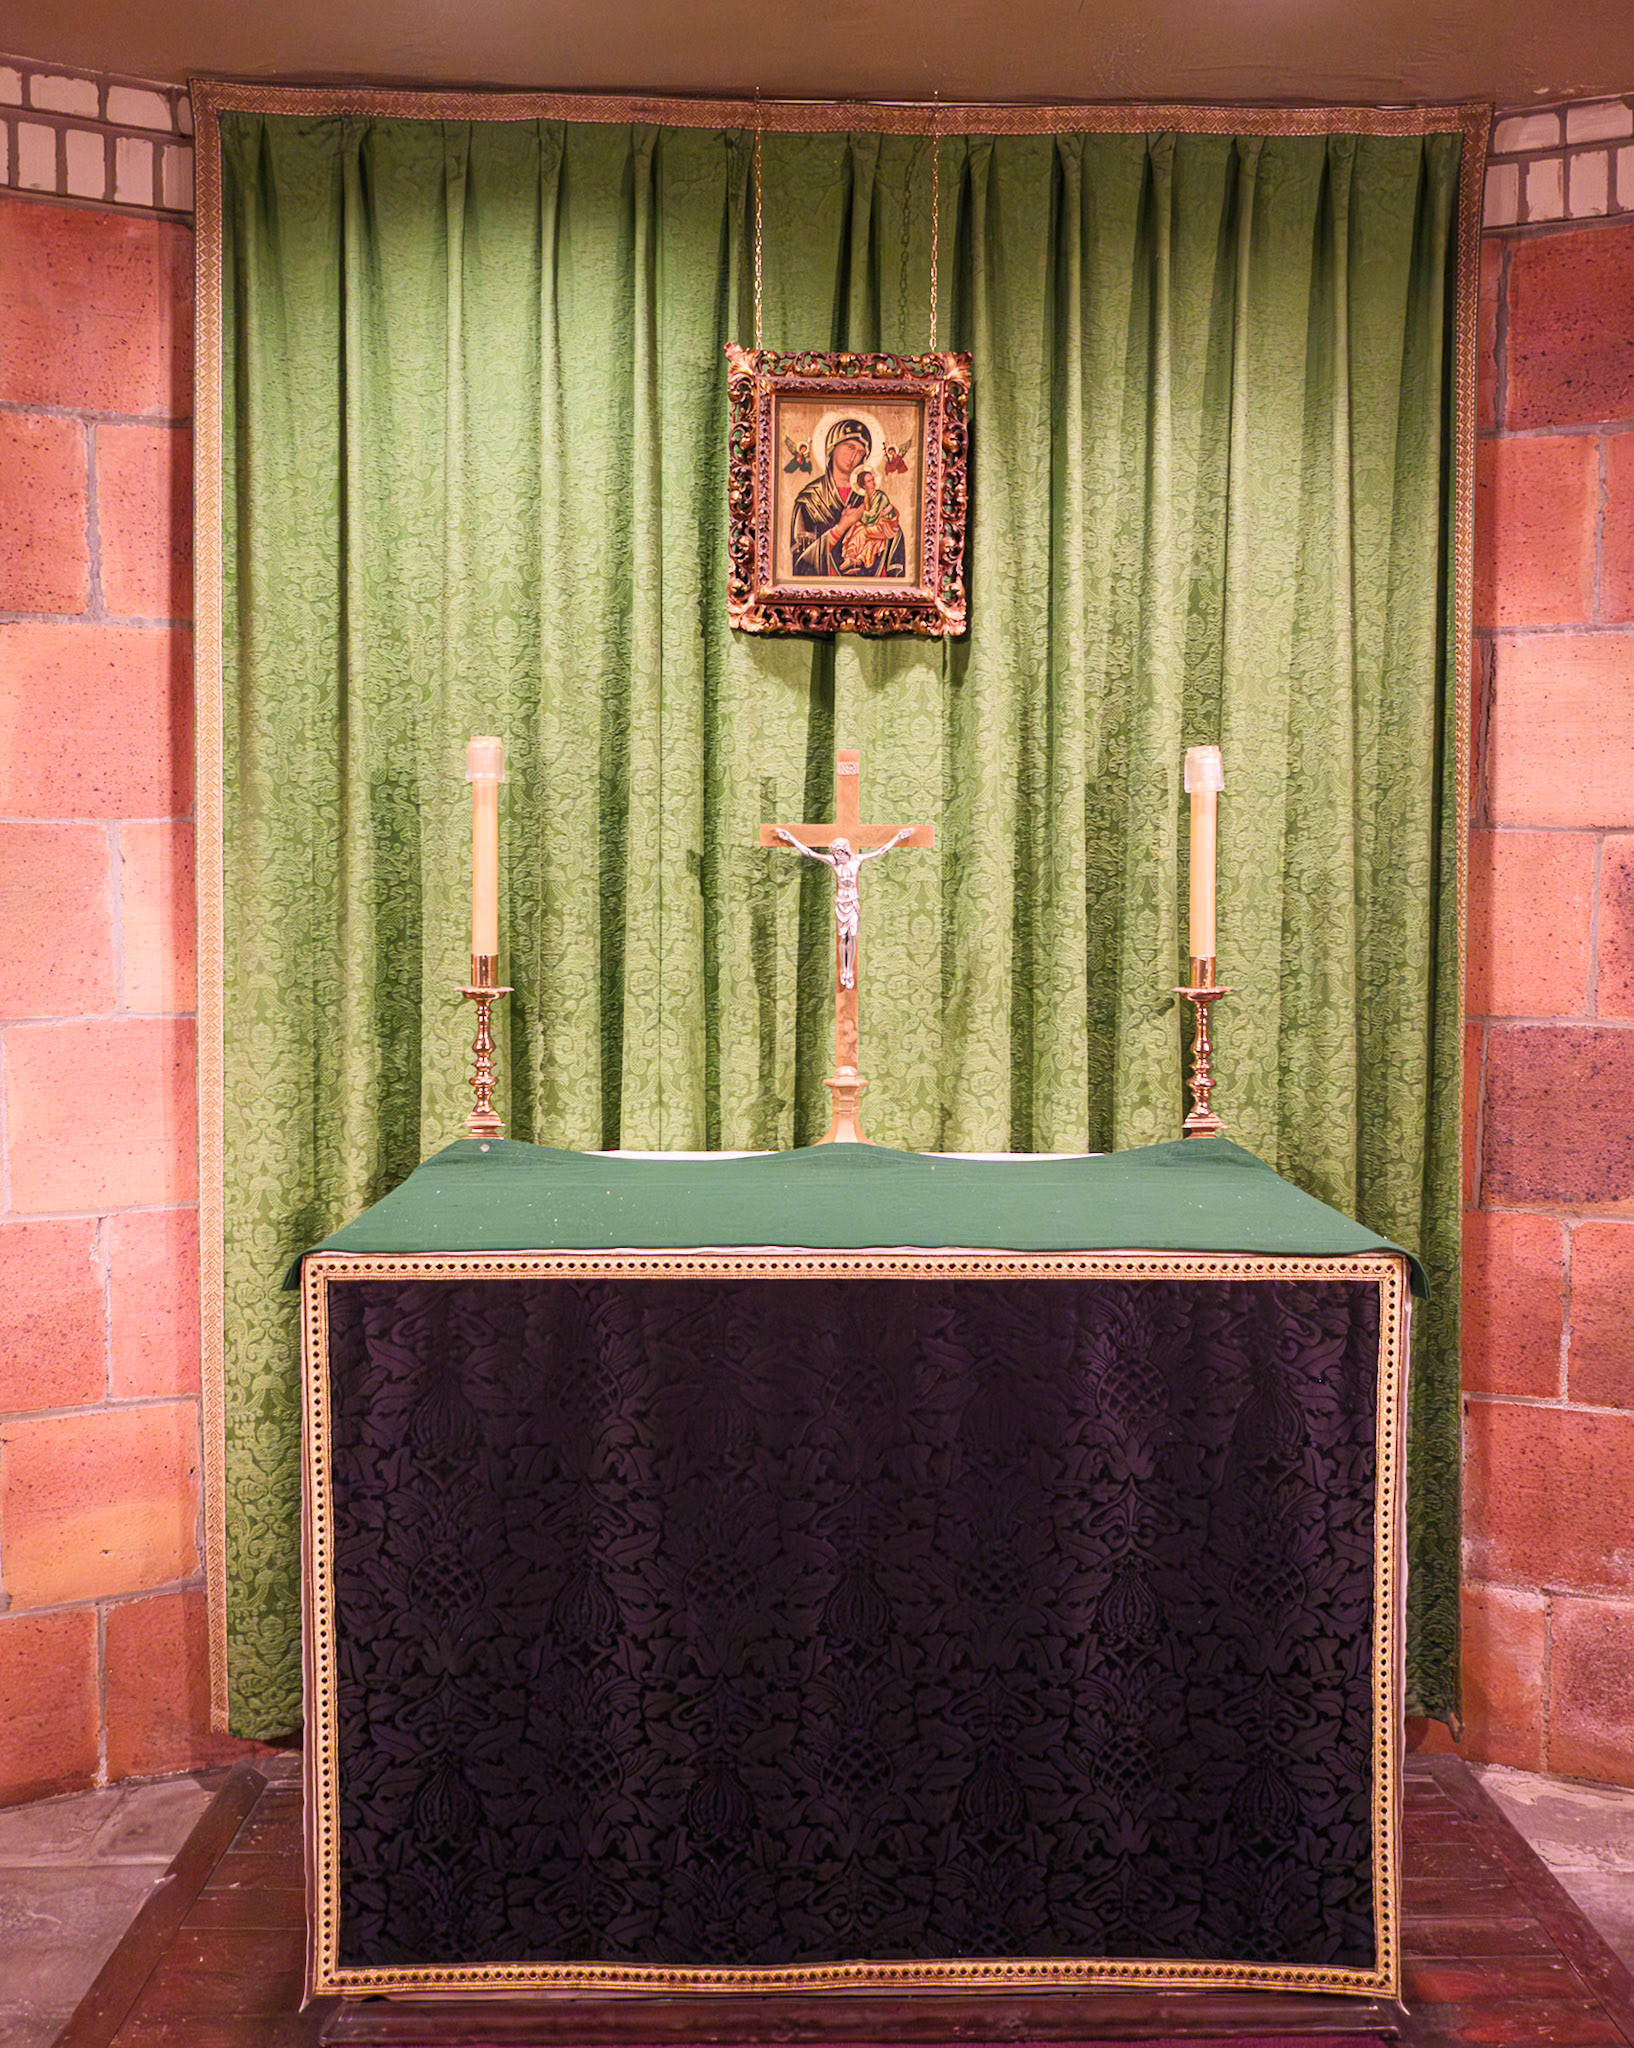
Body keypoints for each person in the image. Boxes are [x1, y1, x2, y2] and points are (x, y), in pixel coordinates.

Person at [789, 418, 907, 579]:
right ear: (832, 448)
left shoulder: (871, 496)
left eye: (860, 452)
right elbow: (800, 563)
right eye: (850, 447)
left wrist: (889, 530)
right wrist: (840, 529)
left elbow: (894, 541)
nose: (853, 457)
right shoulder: (809, 501)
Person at [836, 468, 903, 576]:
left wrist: (856, 513)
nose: (873, 482)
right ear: (863, 486)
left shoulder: (880, 496)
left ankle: (853, 556)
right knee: (856, 528)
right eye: (869, 481)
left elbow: (872, 517)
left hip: (887, 526)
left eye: (872, 479)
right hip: (877, 525)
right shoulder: (867, 496)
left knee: (862, 532)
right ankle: (853, 558)